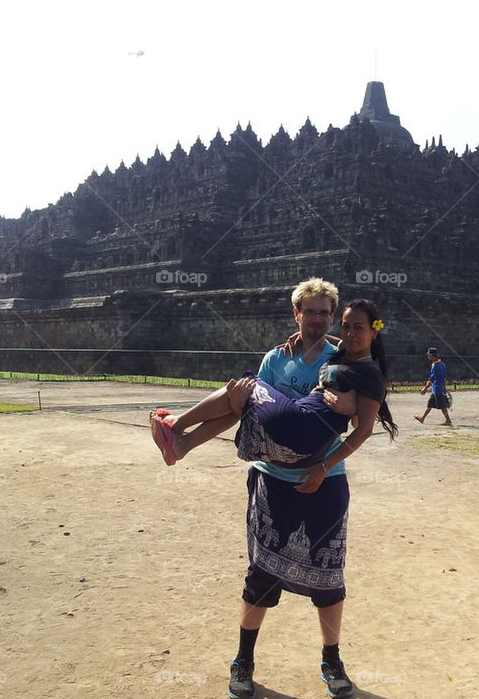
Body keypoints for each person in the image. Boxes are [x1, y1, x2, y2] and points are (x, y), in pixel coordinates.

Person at [150, 279, 395, 699]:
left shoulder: (343, 353)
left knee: (329, 579)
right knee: (261, 577)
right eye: (310, 312)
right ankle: (243, 662)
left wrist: (347, 418)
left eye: (325, 313)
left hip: (324, 481)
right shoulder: (275, 358)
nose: (318, 319)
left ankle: (331, 660)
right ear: (295, 314)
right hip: (271, 479)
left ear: (333, 318)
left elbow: (362, 394)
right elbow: (250, 414)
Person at [415, 347, 452, 425]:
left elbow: (431, 379)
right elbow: (444, 376)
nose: (428, 357)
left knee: (442, 406)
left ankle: (448, 420)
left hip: (437, 389)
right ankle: (422, 418)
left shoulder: (435, 366)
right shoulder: (442, 364)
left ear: (432, 356)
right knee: (430, 404)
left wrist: (425, 388)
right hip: (438, 388)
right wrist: (444, 387)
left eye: (429, 355)